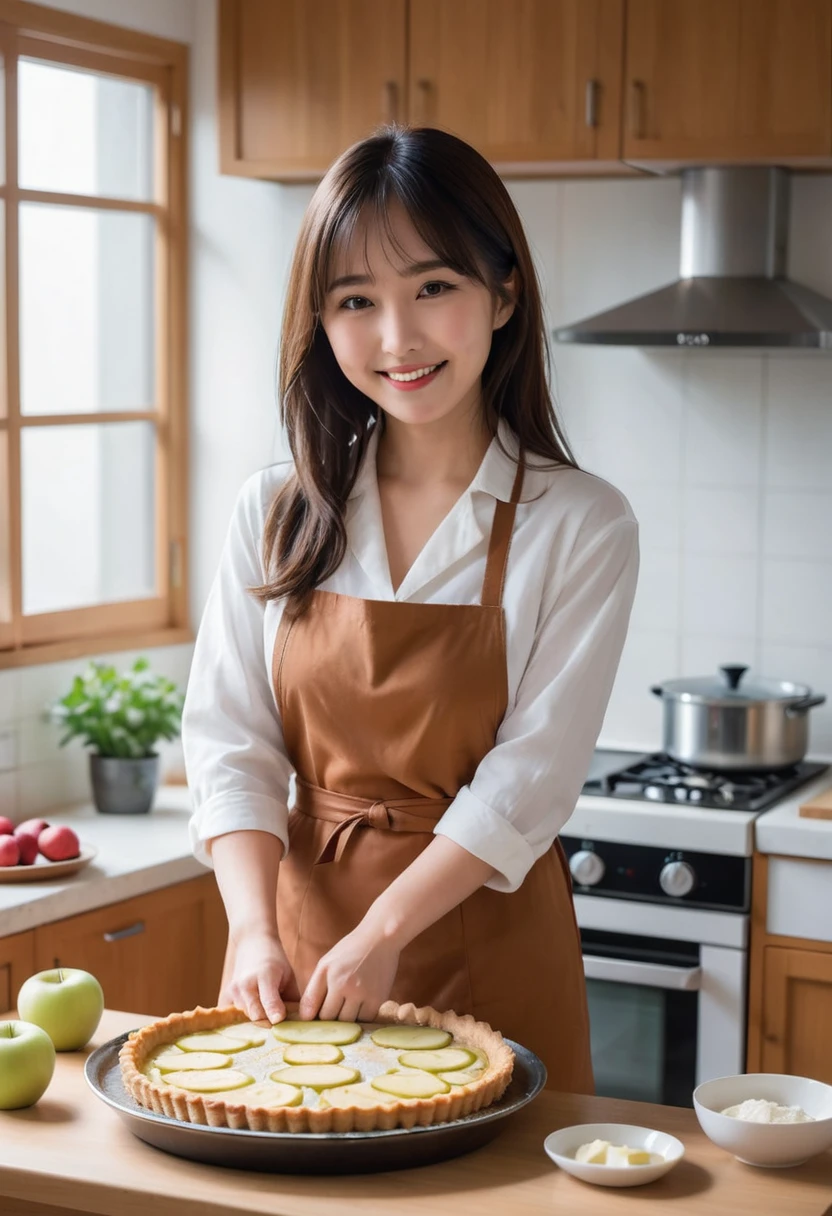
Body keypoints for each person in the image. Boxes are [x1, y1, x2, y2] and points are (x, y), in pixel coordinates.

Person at [182, 124, 639, 1093]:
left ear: (503, 293)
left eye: (433, 287)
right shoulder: (273, 510)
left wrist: (384, 932)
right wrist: (255, 929)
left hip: (491, 945)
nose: (398, 338)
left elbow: (530, 778)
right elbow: (230, 742)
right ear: (321, 320)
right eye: (356, 301)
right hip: (301, 956)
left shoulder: (580, 521)